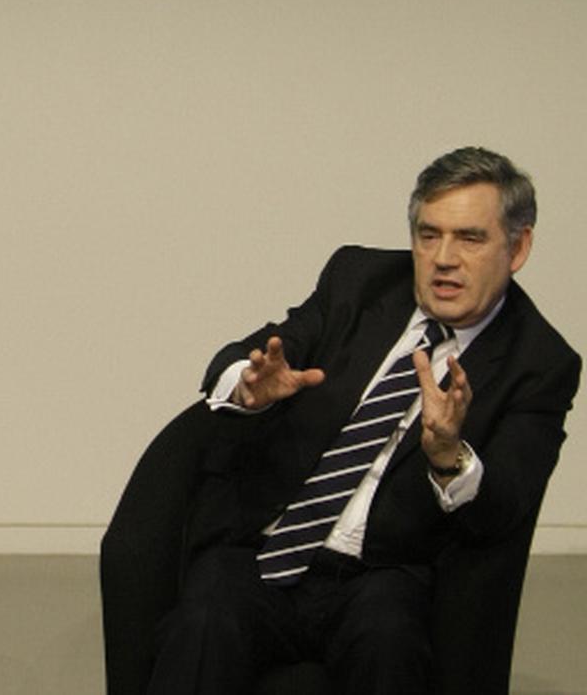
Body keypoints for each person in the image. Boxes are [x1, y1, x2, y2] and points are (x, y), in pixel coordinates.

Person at [146, 146, 580, 695]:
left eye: (470, 239)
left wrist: (450, 457)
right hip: (265, 549)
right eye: (428, 235)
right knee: (203, 619)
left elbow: (507, 504)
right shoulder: (359, 280)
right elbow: (251, 354)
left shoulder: (538, 363)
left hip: (382, 575)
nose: (444, 258)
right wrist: (250, 385)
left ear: (517, 248)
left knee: (389, 646)